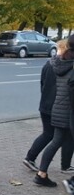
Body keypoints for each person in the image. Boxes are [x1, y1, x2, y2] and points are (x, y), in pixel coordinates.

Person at [23, 39, 74, 173]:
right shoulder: (68, 66)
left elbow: (42, 83)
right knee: (57, 136)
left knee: (50, 134)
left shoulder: (50, 63)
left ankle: (33, 159)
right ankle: (33, 159)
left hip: (46, 104)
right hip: (59, 106)